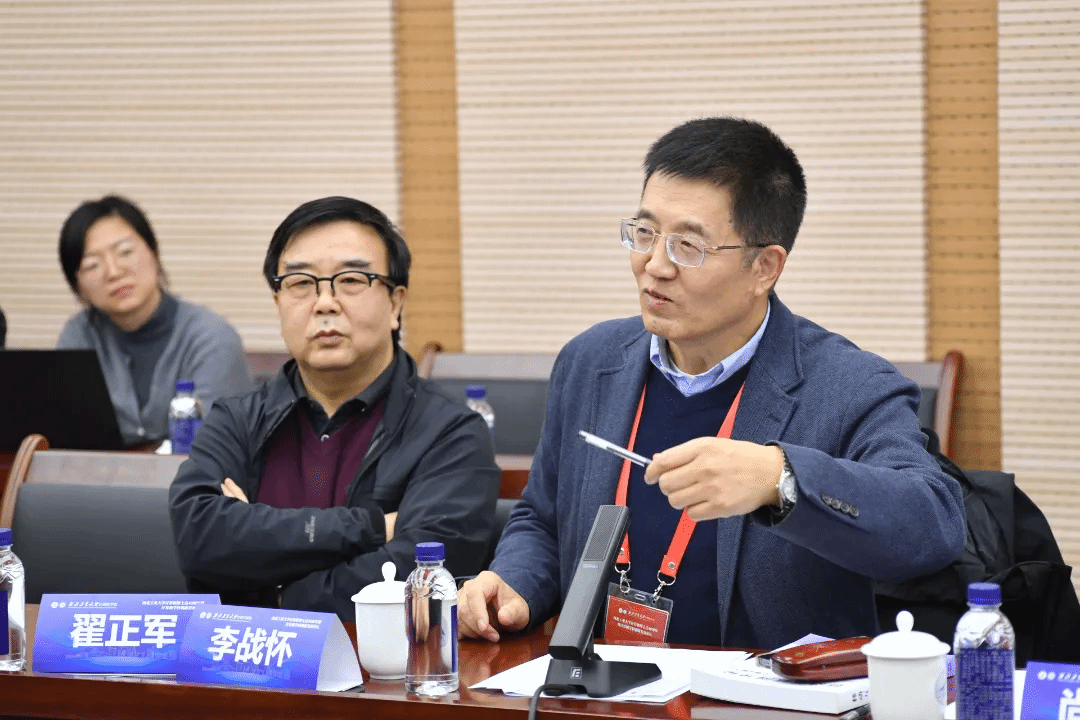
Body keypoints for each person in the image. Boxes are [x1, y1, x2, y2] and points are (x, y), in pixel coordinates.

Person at [459, 117, 966, 650]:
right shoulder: (591, 362)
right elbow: (544, 519)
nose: (655, 265)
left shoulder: (848, 386)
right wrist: (514, 584)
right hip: (604, 687)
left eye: (688, 246)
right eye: (645, 233)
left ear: (764, 267)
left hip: (766, 693)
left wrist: (778, 479)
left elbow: (932, 523)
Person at [168, 196, 500, 618]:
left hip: (382, 660)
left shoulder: (452, 433)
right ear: (278, 302)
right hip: (245, 658)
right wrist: (374, 527)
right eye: (300, 283)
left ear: (396, 304)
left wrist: (272, 595)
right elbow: (201, 540)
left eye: (351, 280)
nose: (324, 303)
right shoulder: (236, 420)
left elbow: (421, 576)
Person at [57, 195, 253, 445]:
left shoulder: (212, 338)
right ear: (77, 286)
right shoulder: (78, 336)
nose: (114, 272)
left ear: (154, 251)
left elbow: (217, 446)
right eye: (92, 265)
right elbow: (71, 438)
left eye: (125, 252)